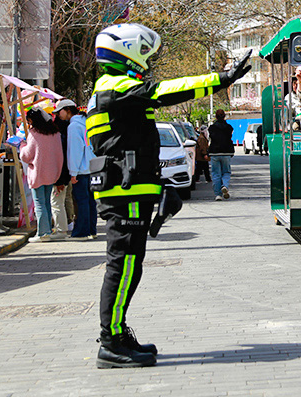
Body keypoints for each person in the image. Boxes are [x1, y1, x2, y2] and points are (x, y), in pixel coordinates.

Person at [88, 23, 250, 368]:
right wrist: (219, 78)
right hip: (125, 194)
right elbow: (166, 90)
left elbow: (131, 145)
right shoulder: (116, 87)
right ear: (128, 51)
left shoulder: (115, 89)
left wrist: (162, 188)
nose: (148, 62)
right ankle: (111, 341)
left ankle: (117, 333)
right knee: (124, 265)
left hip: (131, 191)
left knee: (129, 265)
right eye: (145, 53)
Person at [19, 107, 64, 242]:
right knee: (46, 203)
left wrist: (21, 146)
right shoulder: (55, 132)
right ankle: (48, 230)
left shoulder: (34, 133)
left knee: (39, 203)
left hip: (38, 173)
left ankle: (43, 233)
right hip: (52, 173)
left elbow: (27, 155)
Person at [66, 102, 97, 240]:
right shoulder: (87, 123)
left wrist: (73, 172)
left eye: (59, 111)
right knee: (91, 200)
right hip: (93, 167)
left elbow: (75, 151)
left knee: (82, 201)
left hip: (81, 169)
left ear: (67, 111)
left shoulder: (73, 126)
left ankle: (81, 232)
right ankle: (92, 230)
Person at [51, 100, 74, 239]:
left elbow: (62, 156)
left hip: (66, 173)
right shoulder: (70, 126)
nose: (58, 115)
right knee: (68, 198)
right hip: (69, 172)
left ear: (67, 110)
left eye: (59, 112)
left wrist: (61, 178)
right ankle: (68, 225)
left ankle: (62, 230)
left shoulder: (64, 130)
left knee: (58, 201)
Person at [207, 109, 235, 201]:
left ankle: (218, 194)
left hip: (214, 152)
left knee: (216, 174)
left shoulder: (212, 128)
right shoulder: (229, 127)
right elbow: (229, 138)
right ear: (224, 116)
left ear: (215, 116)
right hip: (226, 152)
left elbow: (211, 139)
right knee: (226, 172)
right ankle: (225, 185)